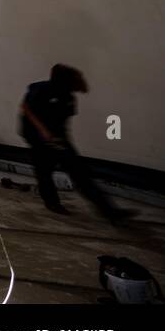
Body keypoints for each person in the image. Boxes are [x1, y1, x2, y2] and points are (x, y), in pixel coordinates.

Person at [19, 64, 132, 221]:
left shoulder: (68, 97)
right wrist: (43, 132)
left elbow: (63, 122)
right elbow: (26, 108)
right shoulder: (42, 89)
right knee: (44, 172)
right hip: (37, 138)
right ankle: (52, 203)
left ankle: (109, 211)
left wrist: (61, 141)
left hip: (58, 139)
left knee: (80, 174)